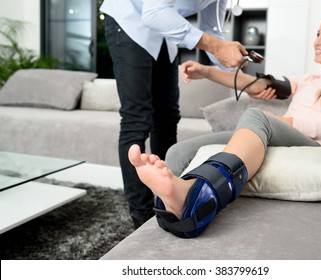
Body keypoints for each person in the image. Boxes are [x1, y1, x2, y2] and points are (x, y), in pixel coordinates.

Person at [128, 11, 321, 238]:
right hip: (282, 134)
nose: (317, 41)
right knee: (178, 152)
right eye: (317, 34)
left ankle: (202, 193)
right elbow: (258, 85)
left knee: (257, 116)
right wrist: (207, 71)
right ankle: (173, 213)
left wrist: (286, 121)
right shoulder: (309, 79)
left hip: (314, 145)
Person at [99, 0, 248, 228]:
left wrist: (233, 59)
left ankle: (167, 200)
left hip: (164, 31)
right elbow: (153, 12)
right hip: (129, 21)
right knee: (137, 118)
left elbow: (211, 30)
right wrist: (217, 46)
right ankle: (141, 216)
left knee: (168, 117)